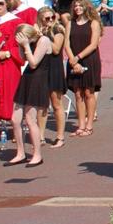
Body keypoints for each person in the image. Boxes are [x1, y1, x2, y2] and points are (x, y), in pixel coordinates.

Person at [10, 23, 50, 166]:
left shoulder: (43, 40)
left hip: (38, 79)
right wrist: (21, 46)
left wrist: (26, 45)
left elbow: (33, 63)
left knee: (30, 119)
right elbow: (23, 60)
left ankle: (37, 154)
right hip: (27, 78)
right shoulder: (27, 43)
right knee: (15, 119)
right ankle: (20, 153)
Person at [64, 0, 102, 137]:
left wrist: (78, 57)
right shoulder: (70, 23)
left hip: (89, 60)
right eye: (76, 6)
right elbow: (66, 43)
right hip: (74, 60)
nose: (78, 8)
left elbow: (93, 44)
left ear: (86, 7)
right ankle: (80, 125)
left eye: (80, 5)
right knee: (78, 94)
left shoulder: (94, 23)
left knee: (88, 93)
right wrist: (73, 60)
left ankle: (89, 125)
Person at [36, 10, 67, 148]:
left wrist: (43, 36)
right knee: (41, 105)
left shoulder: (58, 29)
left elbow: (55, 49)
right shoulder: (38, 30)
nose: (49, 19)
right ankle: (40, 137)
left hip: (54, 69)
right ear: (41, 19)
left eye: (52, 17)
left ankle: (60, 137)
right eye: (46, 18)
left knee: (56, 104)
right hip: (41, 69)